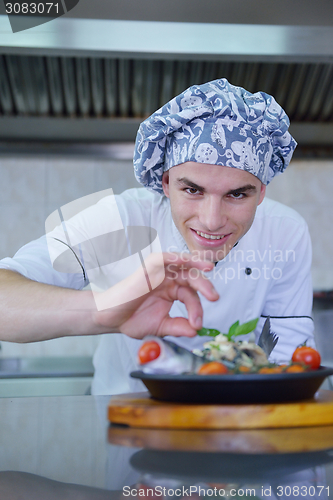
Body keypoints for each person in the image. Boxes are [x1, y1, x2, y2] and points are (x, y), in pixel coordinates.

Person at [0, 79, 315, 395]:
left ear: (261, 192)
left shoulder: (285, 232)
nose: (212, 220)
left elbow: (290, 358)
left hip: (238, 424)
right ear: (165, 183)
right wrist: (107, 310)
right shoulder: (120, 218)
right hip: (126, 425)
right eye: (192, 190)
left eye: (236, 194)